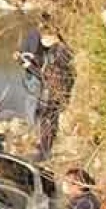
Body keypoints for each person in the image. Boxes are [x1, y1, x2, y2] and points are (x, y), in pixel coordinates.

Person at [37, 31, 75, 161]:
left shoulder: (56, 53)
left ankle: (45, 152)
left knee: (47, 122)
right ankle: (45, 149)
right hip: (58, 94)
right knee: (50, 122)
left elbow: (53, 75)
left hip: (53, 95)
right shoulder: (65, 50)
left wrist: (30, 66)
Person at [14, 13, 50, 125]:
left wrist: (22, 59)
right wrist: (20, 58)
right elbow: (22, 53)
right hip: (34, 74)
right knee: (33, 99)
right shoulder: (35, 35)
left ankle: (32, 123)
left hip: (33, 72)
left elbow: (21, 53)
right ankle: (32, 125)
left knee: (33, 100)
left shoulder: (33, 34)